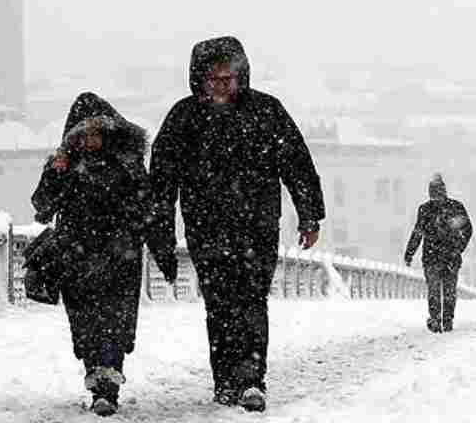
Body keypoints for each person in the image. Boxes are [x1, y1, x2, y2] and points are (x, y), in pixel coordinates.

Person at [147, 36, 325, 413]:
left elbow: (297, 164)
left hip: (257, 227)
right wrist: (160, 234)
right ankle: (225, 379)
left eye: (228, 78)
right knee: (219, 304)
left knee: (251, 300)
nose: (222, 86)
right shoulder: (183, 118)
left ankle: (251, 378)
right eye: (214, 79)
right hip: (206, 229)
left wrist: (309, 215)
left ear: (240, 76)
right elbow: (161, 182)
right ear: (200, 79)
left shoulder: (266, 111)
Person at [31, 92, 156, 417]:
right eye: (82, 135)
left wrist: (128, 233)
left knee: (114, 323)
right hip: (76, 258)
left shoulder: (127, 165)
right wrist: (56, 172)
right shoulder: (66, 166)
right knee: (85, 325)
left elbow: (147, 207)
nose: (89, 141)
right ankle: (97, 378)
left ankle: (107, 388)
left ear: (108, 132)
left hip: (119, 258)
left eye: (95, 133)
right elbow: (42, 208)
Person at [404, 173, 474, 333]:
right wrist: (458, 247)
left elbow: (418, 233)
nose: (435, 197)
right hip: (448, 257)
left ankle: (439, 319)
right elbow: (467, 229)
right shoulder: (454, 207)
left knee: (436, 290)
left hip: (435, 257)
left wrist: (410, 253)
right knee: (446, 290)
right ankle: (444, 320)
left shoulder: (427, 210)